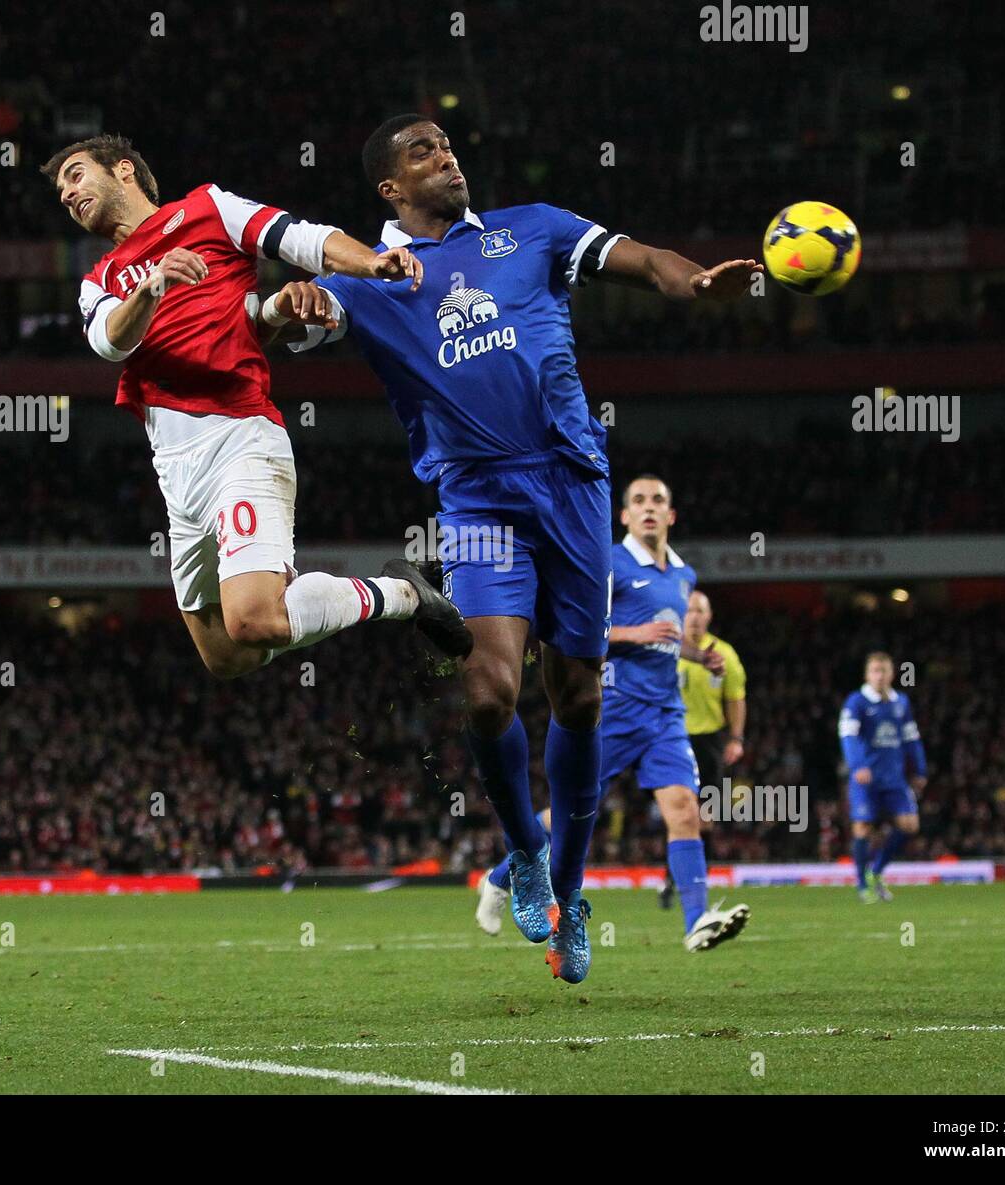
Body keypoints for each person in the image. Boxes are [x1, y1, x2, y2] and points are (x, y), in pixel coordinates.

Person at [276, 115, 759, 982]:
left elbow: (646, 261)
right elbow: (286, 324)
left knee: (575, 699)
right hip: (476, 499)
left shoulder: (531, 229)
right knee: (490, 687)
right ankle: (526, 852)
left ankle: (569, 896)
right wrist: (289, 303)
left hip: (575, 488)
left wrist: (696, 284)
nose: (447, 156)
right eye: (422, 150)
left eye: (448, 144)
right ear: (389, 188)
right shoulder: (368, 278)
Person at [40, 134, 471, 681]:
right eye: (59, 189)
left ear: (123, 170)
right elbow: (109, 342)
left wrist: (371, 263)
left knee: (256, 622)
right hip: (176, 474)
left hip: (239, 440)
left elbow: (302, 238)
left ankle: (403, 593)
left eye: (75, 175)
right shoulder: (98, 281)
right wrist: (157, 287)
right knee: (226, 655)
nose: (67, 193)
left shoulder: (208, 208)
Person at [478, 476, 750, 952]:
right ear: (623, 515)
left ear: (671, 515)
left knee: (685, 810)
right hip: (615, 710)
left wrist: (695, 653)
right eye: (638, 501)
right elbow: (580, 631)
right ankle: (502, 877)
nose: (649, 508)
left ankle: (696, 920)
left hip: (666, 714)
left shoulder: (683, 575)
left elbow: (664, 637)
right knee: (568, 813)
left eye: (658, 501)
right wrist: (636, 634)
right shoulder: (611, 565)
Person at [670, 590, 747, 908]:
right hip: (674, 738)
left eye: (701, 610)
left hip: (711, 741)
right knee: (680, 810)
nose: (695, 616)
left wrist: (736, 738)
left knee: (705, 818)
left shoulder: (725, 654)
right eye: (690, 610)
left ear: (710, 615)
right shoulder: (669, 649)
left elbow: (735, 698)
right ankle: (674, 879)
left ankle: (689, 878)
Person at [838, 651, 927, 902]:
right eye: (875, 671)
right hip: (865, 778)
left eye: (884, 670)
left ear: (892, 674)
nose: (879, 676)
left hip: (894, 778)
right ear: (867, 675)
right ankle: (862, 886)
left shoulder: (901, 702)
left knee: (910, 826)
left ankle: (875, 871)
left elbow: (911, 738)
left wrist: (919, 769)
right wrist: (857, 765)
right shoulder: (856, 702)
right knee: (863, 827)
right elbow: (848, 735)